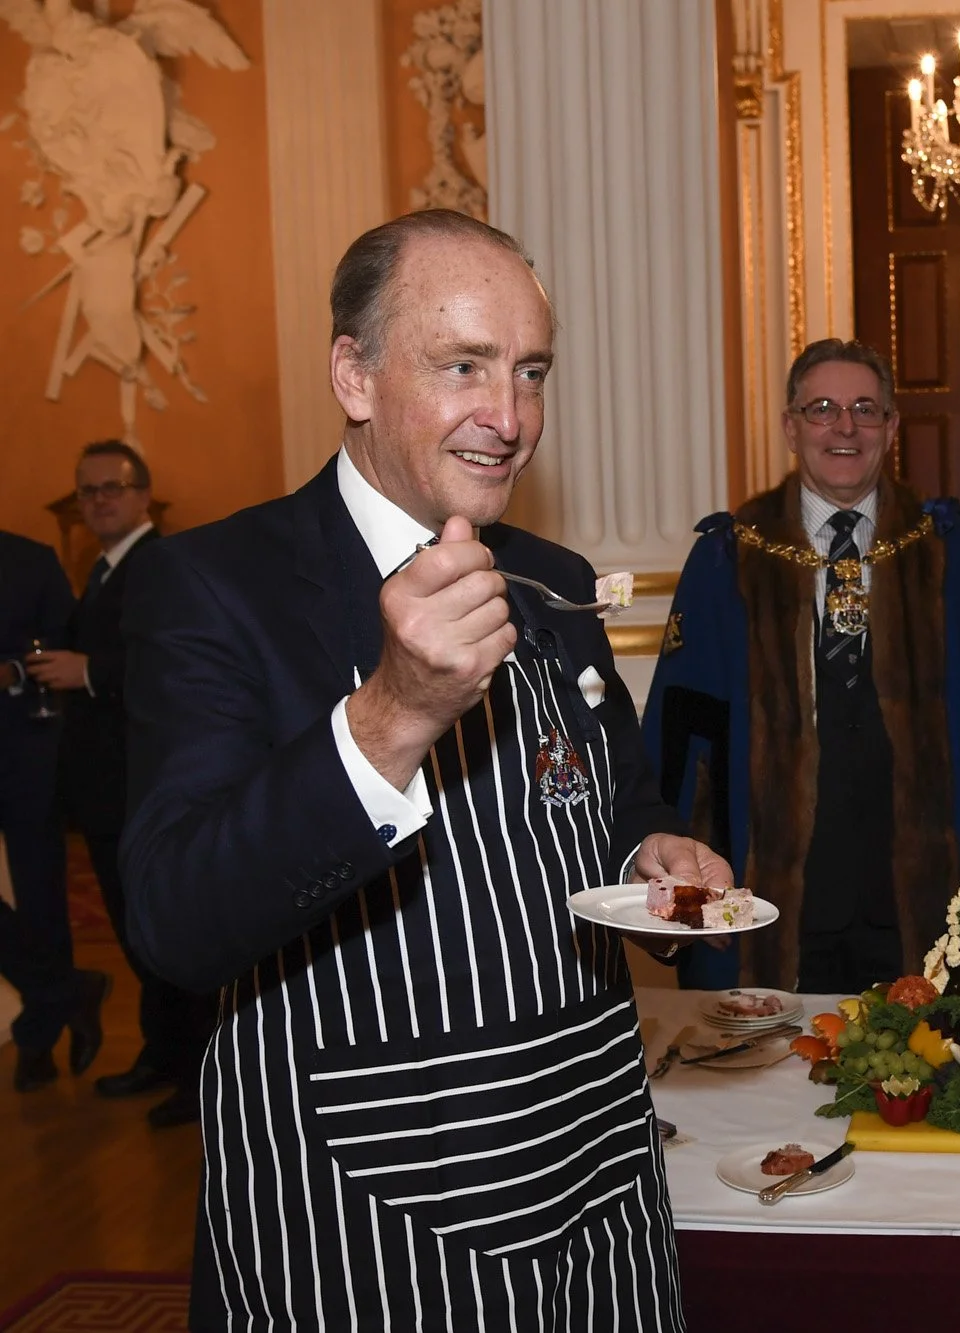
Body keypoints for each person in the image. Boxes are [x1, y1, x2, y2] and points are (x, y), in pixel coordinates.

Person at [120, 210, 727, 1330]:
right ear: (353, 374)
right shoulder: (211, 588)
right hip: (363, 1212)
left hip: (599, 1177)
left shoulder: (552, 577)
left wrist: (651, 849)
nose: (509, 418)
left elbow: (607, 794)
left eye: (529, 370)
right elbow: (173, 920)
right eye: (463, 366)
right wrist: (396, 711)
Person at [643, 339, 960, 994]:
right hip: (766, 891)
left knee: (918, 1079)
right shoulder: (730, 556)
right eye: (823, 409)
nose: (845, 427)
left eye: (865, 409)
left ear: (892, 426)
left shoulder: (948, 551)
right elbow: (681, 734)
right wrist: (682, 899)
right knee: (759, 1084)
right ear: (790, 425)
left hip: (922, 895)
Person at [25, 441, 206, 1127]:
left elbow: (170, 660)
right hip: (103, 783)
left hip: (139, 781)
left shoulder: (160, 561)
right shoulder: (103, 568)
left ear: (141, 494)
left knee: (160, 931)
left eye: (111, 487)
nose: (98, 500)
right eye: (87, 491)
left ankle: (196, 1070)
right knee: (136, 933)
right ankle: (162, 1054)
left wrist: (90, 672)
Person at [0, 530, 108, 1091]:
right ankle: (63, 990)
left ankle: (39, 1038)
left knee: (38, 890)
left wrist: (14, 671)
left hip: (24, 745)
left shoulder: (28, 558)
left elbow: (63, 646)